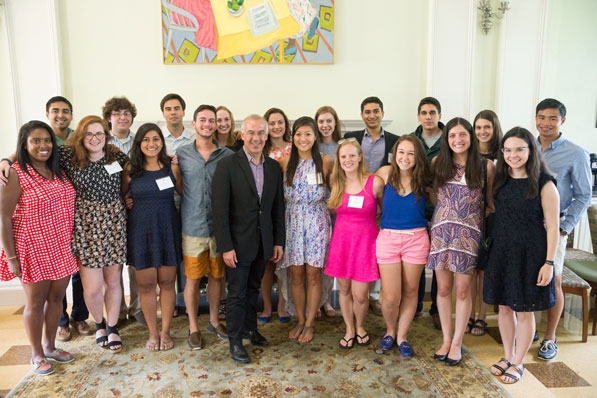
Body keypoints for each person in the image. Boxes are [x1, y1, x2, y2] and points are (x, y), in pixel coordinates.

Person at [0, 121, 78, 375]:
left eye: (47, 140)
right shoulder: (15, 173)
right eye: (36, 141)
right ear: (24, 144)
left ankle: (51, 346)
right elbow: (4, 218)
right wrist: (12, 257)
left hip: (61, 245)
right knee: (35, 302)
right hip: (32, 247)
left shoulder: (59, 170)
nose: (43, 145)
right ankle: (36, 354)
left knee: (56, 300)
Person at [484, 127, 559, 384]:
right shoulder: (500, 181)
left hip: (531, 255)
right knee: (504, 308)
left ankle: (519, 362)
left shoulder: (544, 183)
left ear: (531, 151)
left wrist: (548, 263)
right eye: (507, 150)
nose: (513, 155)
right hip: (502, 252)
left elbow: (552, 227)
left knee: (524, 310)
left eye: (519, 149)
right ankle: (507, 355)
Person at [212, 114, 285, 364]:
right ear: (242, 135)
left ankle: (250, 329)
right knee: (237, 294)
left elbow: (277, 210)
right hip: (237, 245)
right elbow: (219, 211)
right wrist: (226, 247)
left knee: (254, 289)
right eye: (251, 133)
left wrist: (278, 241)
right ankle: (235, 341)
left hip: (264, 243)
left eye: (261, 133)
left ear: (267, 136)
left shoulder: (274, 167)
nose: (256, 138)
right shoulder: (227, 166)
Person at [427, 117, 494, 366]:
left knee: (464, 290)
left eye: (462, 134)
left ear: (471, 137)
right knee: (443, 290)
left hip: (469, 236)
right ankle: (446, 339)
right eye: (452, 135)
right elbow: (434, 194)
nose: (457, 140)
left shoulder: (486, 166)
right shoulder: (438, 163)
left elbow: (489, 202)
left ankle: (457, 342)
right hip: (442, 234)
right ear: (446, 139)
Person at [63, 115, 129, 353]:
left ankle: (112, 327)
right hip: (86, 225)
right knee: (91, 287)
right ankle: (98, 323)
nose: (94, 138)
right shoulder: (69, 158)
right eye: (89, 134)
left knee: (113, 282)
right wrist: (6, 160)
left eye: (99, 133)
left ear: (106, 135)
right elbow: (30, 153)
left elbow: (135, 175)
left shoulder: (117, 156)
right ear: (81, 136)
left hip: (113, 223)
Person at [534, 98, 592, 360]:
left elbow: (583, 195)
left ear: (562, 121)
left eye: (552, 118)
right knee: (528, 277)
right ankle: (529, 329)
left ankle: (550, 337)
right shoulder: (526, 147)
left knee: (553, 281)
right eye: (542, 117)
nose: (546, 123)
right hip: (525, 226)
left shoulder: (575, 153)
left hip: (554, 227)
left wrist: (565, 227)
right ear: (535, 118)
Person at [121, 123, 183, 351]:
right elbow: (121, 198)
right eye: (146, 139)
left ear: (161, 142)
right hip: (140, 232)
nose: (151, 143)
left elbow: (186, 194)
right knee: (146, 286)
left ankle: (166, 331)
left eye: (155, 139)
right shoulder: (130, 169)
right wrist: (126, 202)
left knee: (167, 283)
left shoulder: (172, 167)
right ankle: (153, 333)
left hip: (167, 230)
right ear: (139, 144)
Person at [177, 105, 233, 350]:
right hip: (193, 227)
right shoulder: (182, 154)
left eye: (212, 120)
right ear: (194, 123)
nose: (208, 124)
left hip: (219, 228)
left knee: (217, 277)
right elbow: (179, 186)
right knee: (192, 279)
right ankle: (193, 327)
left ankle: (213, 321)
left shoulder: (228, 155)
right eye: (203, 120)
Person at [375, 135, 434, 357]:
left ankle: (402, 335)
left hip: (417, 239)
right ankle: (390, 330)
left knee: (411, 292)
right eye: (401, 152)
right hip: (388, 238)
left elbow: (440, 204)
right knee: (390, 296)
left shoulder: (425, 180)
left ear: (417, 156)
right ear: (394, 154)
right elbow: (372, 197)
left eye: (411, 153)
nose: (405, 157)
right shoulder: (384, 174)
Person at [277, 116, 334, 343]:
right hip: (292, 222)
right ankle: (300, 319)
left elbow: (336, 190)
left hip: (317, 222)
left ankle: (310, 322)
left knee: (313, 274)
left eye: (308, 134)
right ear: (293, 137)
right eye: (298, 134)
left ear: (315, 137)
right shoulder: (283, 162)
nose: (303, 139)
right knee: (296, 275)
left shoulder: (326, 161)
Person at [324, 139, 384, 349]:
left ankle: (361, 326)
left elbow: (384, 212)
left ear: (360, 157)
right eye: (343, 157)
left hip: (365, 243)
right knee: (344, 290)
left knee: (360, 294)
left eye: (351, 155)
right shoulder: (336, 181)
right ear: (339, 160)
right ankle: (350, 329)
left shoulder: (374, 182)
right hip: (342, 242)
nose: (347, 160)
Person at [344, 96, 398, 316]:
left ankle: (375, 296)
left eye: (376, 111)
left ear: (382, 114)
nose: (372, 115)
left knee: (378, 253)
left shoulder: (394, 140)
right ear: (361, 115)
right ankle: (363, 296)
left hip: (382, 203)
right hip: (357, 205)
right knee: (361, 252)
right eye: (367, 111)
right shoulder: (351, 138)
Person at [46, 96, 91, 342]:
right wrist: (4, 161)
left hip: (78, 212)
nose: (60, 115)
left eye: (65, 111)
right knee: (57, 269)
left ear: (71, 115)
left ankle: (80, 316)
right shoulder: (43, 137)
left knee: (80, 270)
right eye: (55, 111)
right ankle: (62, 321)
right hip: (53, 214)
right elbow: (17, 155)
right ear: (48, 114)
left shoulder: (77, 137)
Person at [102, 96, 145, 327]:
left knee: (137, 262)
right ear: (109, 118)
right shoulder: (100, 142)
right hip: (111, 212)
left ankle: (139, 309)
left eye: (127, 113)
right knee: (114, 264)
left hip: (139, 208)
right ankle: (117, 312)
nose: (122, 117)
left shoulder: (140, 141)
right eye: (117, 113)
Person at [468, 109, 504, 337]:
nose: (482, 132)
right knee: (470, 270)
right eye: (478, 127)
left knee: (485, 271)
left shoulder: (503, 154)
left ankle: (482, 317)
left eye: (486, 127)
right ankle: (468, 314)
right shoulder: (468, 155)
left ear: (494, 129)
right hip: (471, 217)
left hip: (494, 218)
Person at [410, 96, 444, 329]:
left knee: (440, 262)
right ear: (418, 116)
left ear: (439, 115)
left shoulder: (451, 139)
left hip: (444, 208)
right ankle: (415, 305)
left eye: (432, 112)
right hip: (418, 206)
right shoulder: (411, 140)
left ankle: (437, 309)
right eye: (424, 112)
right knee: (417, 260)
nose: (428, 116)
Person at [258, 108, 292, 324]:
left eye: (280, 122)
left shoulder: (294, 148)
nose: (277, 126)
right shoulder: (260, 148)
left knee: (284, 263)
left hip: (289, 210)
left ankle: (283, 305)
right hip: (266, 210)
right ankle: (266, 306)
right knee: (266, 262)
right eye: (272, 123)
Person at [314, 105, 343, 318]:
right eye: (321, 121)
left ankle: (326, 301)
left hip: (337, 209)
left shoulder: (343, 146)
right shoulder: (310, 146)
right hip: (316, 210)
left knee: (330, 258)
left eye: (329, 121)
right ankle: (315, 301)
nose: (325, 125)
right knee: (316, 260)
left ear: (335, 123)